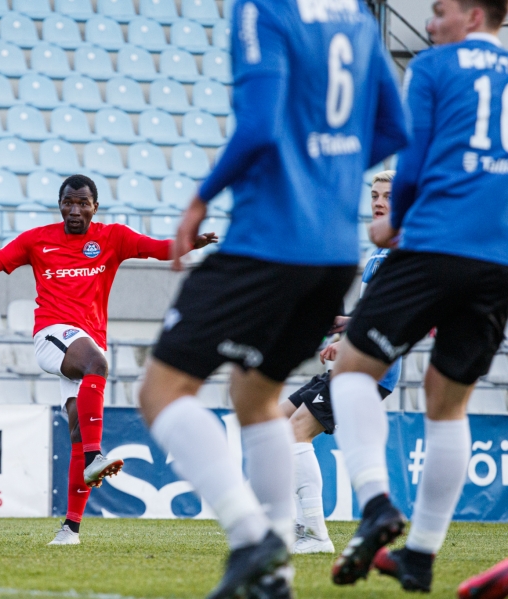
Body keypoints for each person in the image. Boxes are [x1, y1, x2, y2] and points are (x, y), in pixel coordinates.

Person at [136, 0, 408, 595]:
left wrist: (201, 197)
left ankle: (251, 535)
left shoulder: (265, 10)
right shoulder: (358, 19)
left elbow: (259, 125)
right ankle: (276, 572)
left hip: (268, 243)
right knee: (255, 398)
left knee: (159, 391)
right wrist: (327, 170)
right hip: (332, 256)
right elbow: (395, 130)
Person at [0, 174, 216, 546]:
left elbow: (157, 249)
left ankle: (70, 530)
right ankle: (96, 457)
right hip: (53, 335)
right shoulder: (37, 240)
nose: (74, 210)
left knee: (78, 432)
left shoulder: (112, 237)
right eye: (68, 202)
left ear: (95, 207)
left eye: (83, 203)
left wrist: (190, 243)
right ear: (60, 205)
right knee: (97, 368)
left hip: (87, 343)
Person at [328, 0, 508, 592]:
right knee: (448, 404)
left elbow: (412, 159)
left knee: (351, 369)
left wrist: (391, 222)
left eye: (439, 10)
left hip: (434, 243)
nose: (430, 23)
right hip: (498, 261)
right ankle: (421, 557)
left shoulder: (434, 66)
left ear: (474, 14)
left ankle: (377, 502)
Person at [283, 170, 403, 555]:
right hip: (353, 360)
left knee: (296, 430)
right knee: (276, 423)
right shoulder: (378, 251)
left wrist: (351, 339)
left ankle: (315, 534)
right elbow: (373, 312)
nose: (379, 202)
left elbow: (397, 316)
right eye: (375, 195)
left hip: (373, 368)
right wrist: (345, 325)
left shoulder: (406, 251)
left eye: (388, 196)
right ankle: (291, 526)